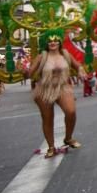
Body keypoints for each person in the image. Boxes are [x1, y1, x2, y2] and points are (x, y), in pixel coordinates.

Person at [29, 29, 82, 157]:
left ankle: (68, 138)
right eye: (50, 41)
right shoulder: (41, 56)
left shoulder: (65, 54)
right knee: (47, 119)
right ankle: (51, 147)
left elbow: (78, 65)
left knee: (71, 111)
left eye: (55, 40)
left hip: (63, 87)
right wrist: (24, 72)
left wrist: (81, 70)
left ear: (59, 41)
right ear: (46, 43)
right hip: (44, 90)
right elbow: (30, 72)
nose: (53, 43)